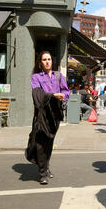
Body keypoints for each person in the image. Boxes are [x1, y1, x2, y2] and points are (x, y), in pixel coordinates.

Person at [27, 51, 70, 185]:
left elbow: (65, 90)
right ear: (40, 62)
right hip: (41, 114)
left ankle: (46, 166)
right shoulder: (36, 77)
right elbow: (37, 94)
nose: (47, 62)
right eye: (44, 59)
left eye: (49, 59)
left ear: (52, 61)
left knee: (49, 142)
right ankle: (42, 173)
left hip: (55, 114)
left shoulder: (58, 76)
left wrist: (63, 97)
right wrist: (52, 95)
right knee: (40, 143)